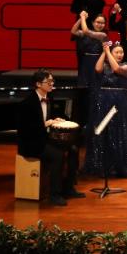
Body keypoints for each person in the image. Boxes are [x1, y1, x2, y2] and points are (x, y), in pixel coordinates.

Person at [16, 69, 83, 206]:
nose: (52, 84)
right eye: (49, 81)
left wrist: (56, 119)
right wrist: (45, 124)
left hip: (44, 140)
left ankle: (68, 188)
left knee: (73, 149)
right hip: (31, 144)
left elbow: (49, 118)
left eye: (53, 81)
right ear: (38, 84)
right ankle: (54, 195)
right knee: (57, 155)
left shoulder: (49, 98)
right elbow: (25, 130)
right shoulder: (27, 103)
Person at [83, 42, 127, 178]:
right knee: (104, 131)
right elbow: (97, 69)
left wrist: (108, 52)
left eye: (121, 52)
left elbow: (116, 69)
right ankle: (104, 165)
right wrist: (104, 51)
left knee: (120, 132)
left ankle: (120, 165)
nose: (119, 54)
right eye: (116, 52)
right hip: (104, 102)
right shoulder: (105, 64)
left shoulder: (126, 66)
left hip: (119, 103)